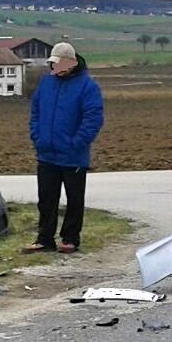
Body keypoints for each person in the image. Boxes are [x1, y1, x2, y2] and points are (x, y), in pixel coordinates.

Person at [25, 42, 104, 253]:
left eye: (59, 64)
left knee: (74, 199)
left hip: (73, 156)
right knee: (46, 200)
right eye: (53, 64)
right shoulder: (46, 83)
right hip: (46, 154)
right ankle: (44, 239)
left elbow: (93, 119)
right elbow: (35, 112)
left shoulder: (88, 86)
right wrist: (37, 137)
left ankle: (70, 239)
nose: (56, 68)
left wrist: (75, 144)